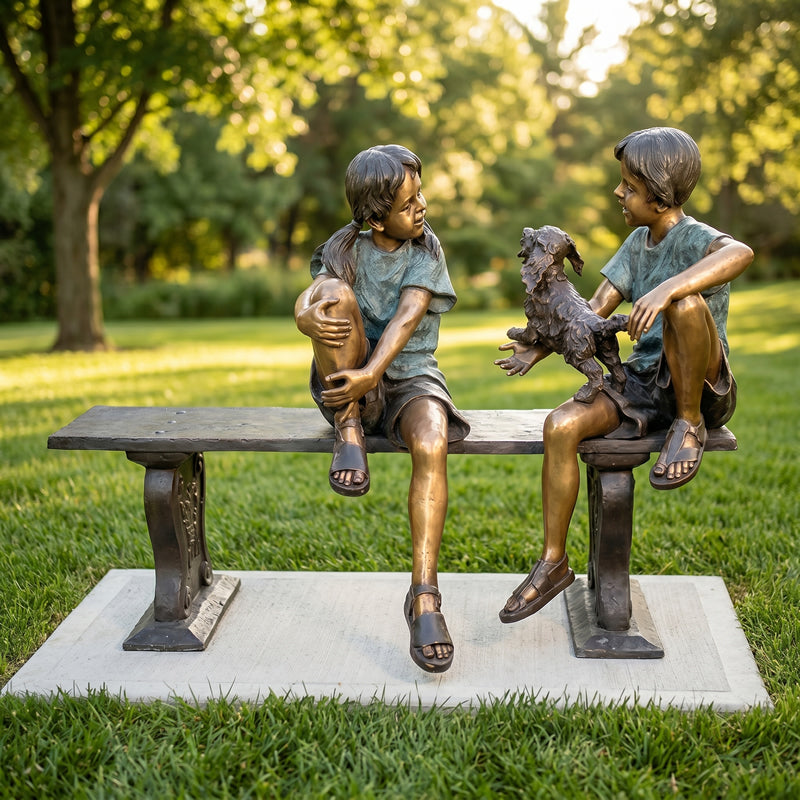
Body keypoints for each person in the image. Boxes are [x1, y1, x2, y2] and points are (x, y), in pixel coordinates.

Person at [494, 127, 753, 623]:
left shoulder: (697, 239)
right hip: (644, 381)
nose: (619, 193)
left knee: (685, 304)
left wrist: (666, 290)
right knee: (561, 425)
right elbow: (591, 313)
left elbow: (740, 254)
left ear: (660, 194)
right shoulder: (636, 243)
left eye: (628, 187)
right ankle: (553, 562)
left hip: (699, 387)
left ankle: (689, 426)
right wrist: (542, 346)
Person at [294, 144, 470, 671]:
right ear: (374, 215)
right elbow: (315, 293)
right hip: (348, 379)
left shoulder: (427, 249)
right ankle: (347, 432)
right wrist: (304, 315)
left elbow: (408, 316)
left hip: (410, 374)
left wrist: (377, 372)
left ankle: (423, 595)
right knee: (331, 293)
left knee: (432, 439)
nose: (422, 208)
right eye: (409, 202)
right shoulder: (343, 246)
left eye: (421, 196)